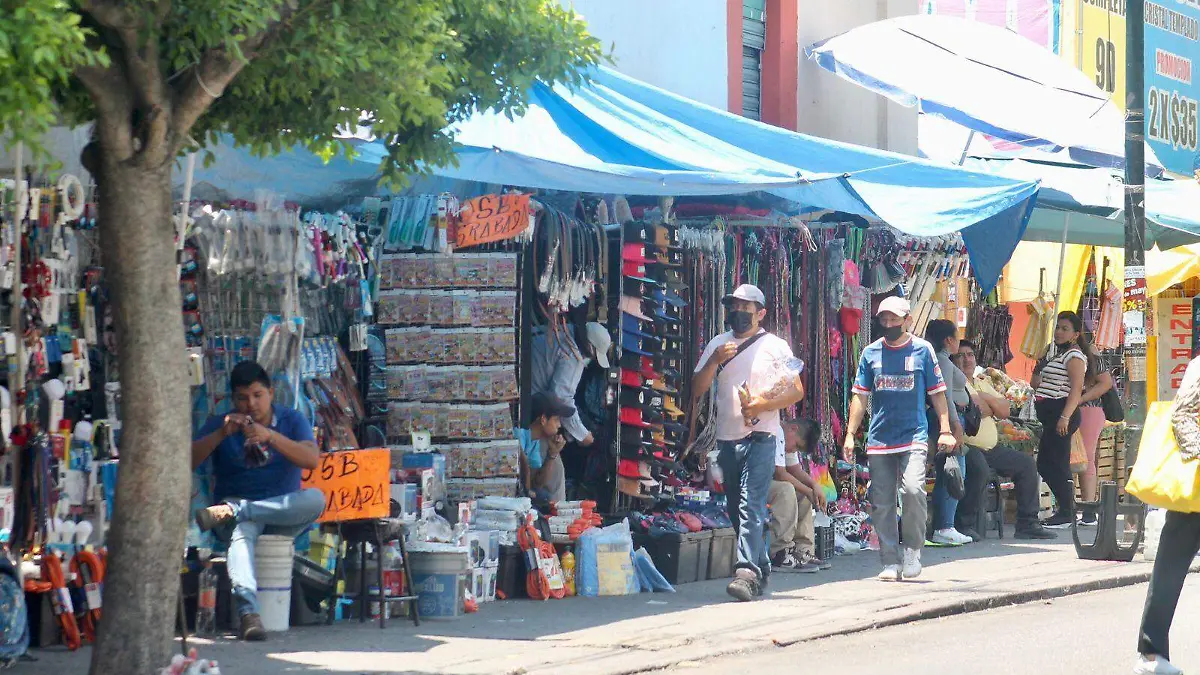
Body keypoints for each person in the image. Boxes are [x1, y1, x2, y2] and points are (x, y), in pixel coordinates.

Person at [191, 361, 324, 641]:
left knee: (315, 499)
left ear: (271, 393)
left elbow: (311, 460)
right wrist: (221, 434)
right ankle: (249, 614)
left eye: (257, 395)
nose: (250, 404)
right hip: (240, 522)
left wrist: (271, 437)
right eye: (242, 398)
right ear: (233, 399)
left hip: (279, 514)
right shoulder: (222, 423)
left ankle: (236, 510)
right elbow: (188, 461)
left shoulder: (291, 420)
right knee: (242, 531)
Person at [693, 284, 806, 602]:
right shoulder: (719, 344)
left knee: (750, 504)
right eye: (733, 306)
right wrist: (714, 361)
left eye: (746, 307)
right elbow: (697, 388)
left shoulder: (776, 346)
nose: (738, 313)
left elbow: (795, 389)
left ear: (761, 313)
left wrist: (760, 405)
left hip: (762, 437)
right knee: (733, 507)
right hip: (727, 440)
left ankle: (745, 571)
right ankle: (761, 563)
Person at [845, 296, 956, 582]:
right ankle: (889, 560)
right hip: (880, 438)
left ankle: (913, 550)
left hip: (914, 435)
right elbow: (860, 395)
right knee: (881, 501)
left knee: (912, 490)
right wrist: (849, 434)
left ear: (907, 320)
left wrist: (945, 428)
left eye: (895, 319)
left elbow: (937, 393)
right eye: (884, 320)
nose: (889, 324)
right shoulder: (870, 353)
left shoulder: (923, 350)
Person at [1133, 356, 1200, 675]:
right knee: (1170, 568)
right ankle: (1151, 654)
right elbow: (1183, 414)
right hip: (1196, 487)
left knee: (1170, 566)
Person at [954, 342, 1056, 540]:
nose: (966, 359)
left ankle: (1027, 524)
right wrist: (990, 406)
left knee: (1026, 464)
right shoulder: (957, 382)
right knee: (980, 470)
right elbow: (977, 410)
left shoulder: (981, 382)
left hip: (991, 448)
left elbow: (1005, 410)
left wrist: (983, 398)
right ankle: (963, 525)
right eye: (961, 356)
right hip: (968, 446)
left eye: (970, 355)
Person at [1031, 311, 1088, 528]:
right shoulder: (1056, 355)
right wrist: (1040, 363)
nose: (1059, 332)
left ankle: (1066, 511)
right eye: (1058, 328)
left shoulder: (1074, 357)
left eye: (1065, 328)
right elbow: (1036, 383)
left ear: (1075, 334)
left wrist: (1065, 417)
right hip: (1050, 414)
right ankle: (1066, 508)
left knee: (1054, 463)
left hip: (1062, 413)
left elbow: (1076, 390)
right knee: (1048, 463)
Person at [923, 319, 977, 545]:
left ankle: (945, 525)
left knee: (951, 471)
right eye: (957, 336)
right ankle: (945, 526)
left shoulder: (940, 359)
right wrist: (954, 424)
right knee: (953, 472)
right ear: (948, 340)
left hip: (947, 419)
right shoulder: (942, 361)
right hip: (949, 421)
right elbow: (943, 395)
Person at [530, 321, 611, 447]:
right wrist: (582, 434)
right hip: (525, 387)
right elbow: (561, 398)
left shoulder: (567, 328)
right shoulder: (573, 358)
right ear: (590, 347)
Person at [767, 420, 831, 572]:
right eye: (796, 445)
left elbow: (794, 469)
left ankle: (802, 550)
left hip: (765, 482)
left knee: (802, 492)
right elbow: (780, 473)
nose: (793, 450)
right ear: (793, 428)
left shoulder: (787, 437)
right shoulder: (776, 431)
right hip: (750, 482)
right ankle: (780, 553)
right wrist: (808, 491)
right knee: (786, 489)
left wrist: (814, 486)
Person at [516, 392, 577, 503]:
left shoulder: (535, 442)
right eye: (556, 419)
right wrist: (524, 462)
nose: (559, 425)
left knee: (544, 497)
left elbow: (537, 484)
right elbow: (526, 489)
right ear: (543, 419)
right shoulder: (518, 435)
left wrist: (552, 454)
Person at [1077, 347, 1114, 525]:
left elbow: (1106, 383)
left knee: (1086, 457)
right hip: (1067, 409)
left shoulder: (1092, 358)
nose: (1059, 333)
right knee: (1068, 458)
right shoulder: (1052, 352)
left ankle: (1089, 510)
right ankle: (1072, 509)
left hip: (1089, 409)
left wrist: (1081, 398)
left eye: (1064, 329)